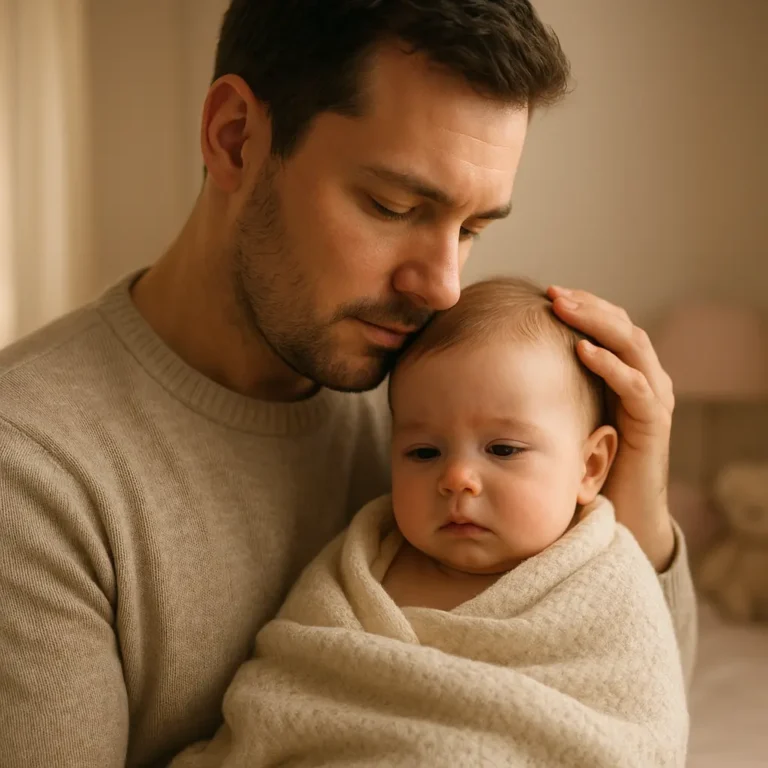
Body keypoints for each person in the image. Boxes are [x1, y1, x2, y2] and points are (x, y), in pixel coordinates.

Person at [0, 2, 695, 767]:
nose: (441, 288)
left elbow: (622, 719)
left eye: (471, 230)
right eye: (393, 207)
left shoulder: (438, 403)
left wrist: (638, 501)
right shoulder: (31, 469)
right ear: (235, 138)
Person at [170, 278, 689, 767]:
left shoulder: (608, 583)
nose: (458, 477)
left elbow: (637, 727)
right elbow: (286, 692)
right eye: (423, 452)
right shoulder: (358, 570)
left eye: (503, 448)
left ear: (591, 465)